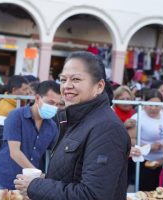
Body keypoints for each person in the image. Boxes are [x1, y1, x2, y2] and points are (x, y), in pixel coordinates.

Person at [14, 51, 131, 200]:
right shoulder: (74, 119)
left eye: (76, 79)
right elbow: (71, 175)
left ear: (99, 86)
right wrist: (44, 179)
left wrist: (35, 186)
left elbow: (93, 195)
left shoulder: (106, 128)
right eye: (63, 80)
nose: (67, 86)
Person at [0, 80, 62, 191]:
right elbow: (14, 152)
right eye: (50, 103)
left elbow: (56, 152)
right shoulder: (16, 115)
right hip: (2, 180)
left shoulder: (52, 126)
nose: (54, 107)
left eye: (57, 104)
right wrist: (38, 174)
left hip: (27, 186)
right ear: (37, 98)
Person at [128, 89, 163, 191]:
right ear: (144, 103)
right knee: (146, 192)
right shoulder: (138, 117)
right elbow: (129, 139)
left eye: (157, 105)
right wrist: (149, 146)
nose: (153, 108)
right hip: (145, 163)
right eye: (150, 104)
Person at [0, 75, 29, 153]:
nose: (28, 92)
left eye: (28, 89)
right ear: (14, 90)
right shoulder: (3, 108)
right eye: (24, 89)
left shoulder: (22, 104)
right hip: (8, 153)